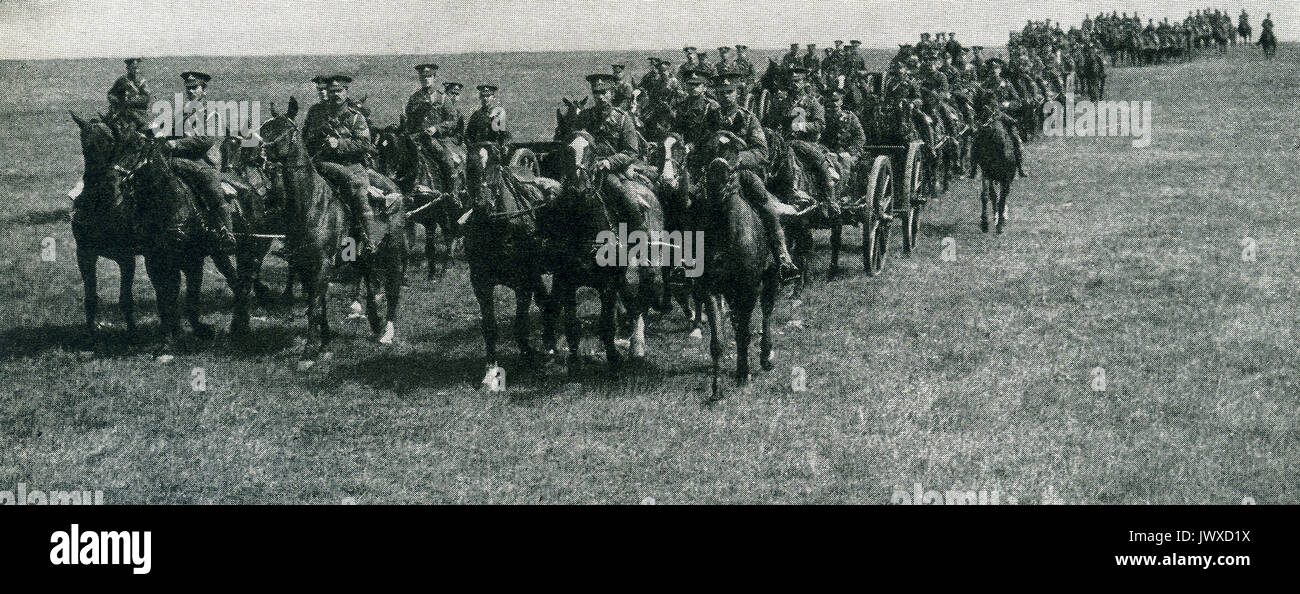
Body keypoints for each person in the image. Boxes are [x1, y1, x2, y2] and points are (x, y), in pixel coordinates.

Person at [708, 73, 800, 278]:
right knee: (693, 203)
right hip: (714, 173)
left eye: (729, 92)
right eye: (721, 93)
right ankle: (688, 260)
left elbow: (761, 152)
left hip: (743, 173)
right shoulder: (711, 117)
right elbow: (702, 144)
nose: (725, 97)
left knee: (765, 204)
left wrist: (739, 158)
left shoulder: (748, 118)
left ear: (737, 93)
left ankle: (783, 256)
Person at [304, 74, 377, 257]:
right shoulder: (317, 113)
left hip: (350, 166)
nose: (335, 94)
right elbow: (305, 138)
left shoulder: (355, 118)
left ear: (346, 92)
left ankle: (367, 241)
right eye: (332, 91)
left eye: (339, 91)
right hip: (321, 165)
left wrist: (340, 144)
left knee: (359, 198)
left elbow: (364, 145)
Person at [165, 71, 237, 253]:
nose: (190, 91)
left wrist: (175, 143)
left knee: (213, 189)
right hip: (180, 161)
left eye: (194, 88)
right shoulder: (182, 113)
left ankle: (227, 233)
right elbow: (171, 133)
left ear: (204, 91)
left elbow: (205, 140)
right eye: (188, 88)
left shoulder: (211, 114)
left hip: (203, 163)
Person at [570, 73, 648, 231]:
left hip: (612, 169)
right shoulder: (584, 117)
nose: (600, 97)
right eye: (596, 93)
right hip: (585, 167)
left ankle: (640, 231)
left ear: (612, 94)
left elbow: (631, 151)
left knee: (622, 193)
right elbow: (575, 141)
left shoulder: (622, 119)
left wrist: (609, 162)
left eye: (604, 92)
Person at [978, 58, 1027, 178]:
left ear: (1000, 70)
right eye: (992, 69)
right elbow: (979, 101)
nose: (994, 71)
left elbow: (1017, 101)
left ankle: (1020, 166)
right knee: (978, 138)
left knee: (1015, 138)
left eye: (996, 68)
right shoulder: (984, 85)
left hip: (1005, 115)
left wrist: (1008, 104)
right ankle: (975, 166)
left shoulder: (1006, 84)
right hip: (990, 116)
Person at [107, 58, 151, 136]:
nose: (135, 71)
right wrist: (115, 99)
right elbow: (110, 93)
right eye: (132, 68)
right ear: (128, 68)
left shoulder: (142, 83)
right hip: (120, 112)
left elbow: (146, 98)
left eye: (136, 68)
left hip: (136, 113)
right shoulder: (122, 80)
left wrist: (132, 100)